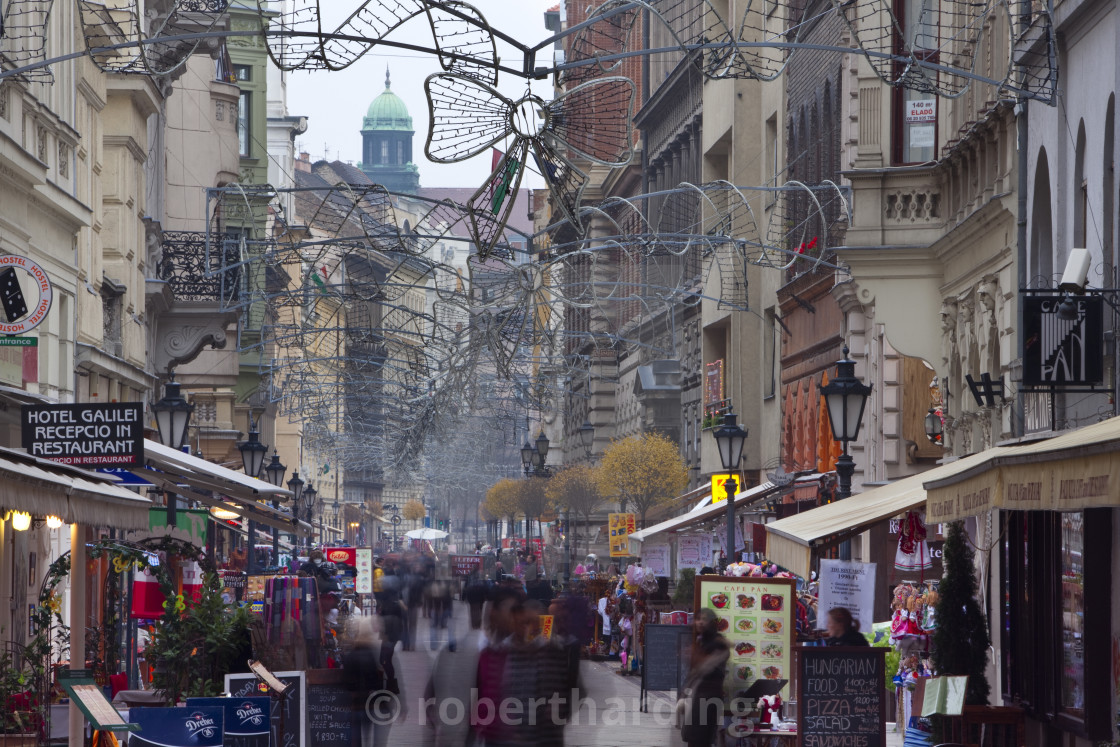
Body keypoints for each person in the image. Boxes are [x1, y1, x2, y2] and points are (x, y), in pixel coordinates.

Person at [680, 608, 730, 747]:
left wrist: (695, 658)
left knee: (700, 740)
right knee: (695, 739)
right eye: (698, 619)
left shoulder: (718, 643)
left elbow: (705, 668)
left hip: (708, 699)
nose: (700, 622)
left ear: (712, 623)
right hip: (698, 697)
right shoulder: (701, 642)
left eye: (705, 619)